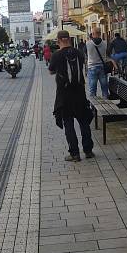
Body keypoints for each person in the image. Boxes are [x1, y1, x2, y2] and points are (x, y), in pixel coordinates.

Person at [49, 29, 94, 161]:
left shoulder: (56, 55)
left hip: (64, 95)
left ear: (58, 41)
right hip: (79, 93)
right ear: (69, 39)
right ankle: (88, 150)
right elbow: (83, 66)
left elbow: (51, 71)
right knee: (84, 122)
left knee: (68, 124)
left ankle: (74, 153)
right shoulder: (79, 53)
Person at [85, 28, 109, 98]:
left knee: (92, 89)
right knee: (104, 88)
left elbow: (85, 53)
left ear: (93, 34)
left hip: (92, 67)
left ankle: (93, 107)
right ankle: (106, 102)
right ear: (100, 34)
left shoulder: (88, 43)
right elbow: (108, 53)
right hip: (102, 67)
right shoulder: (105, 43)